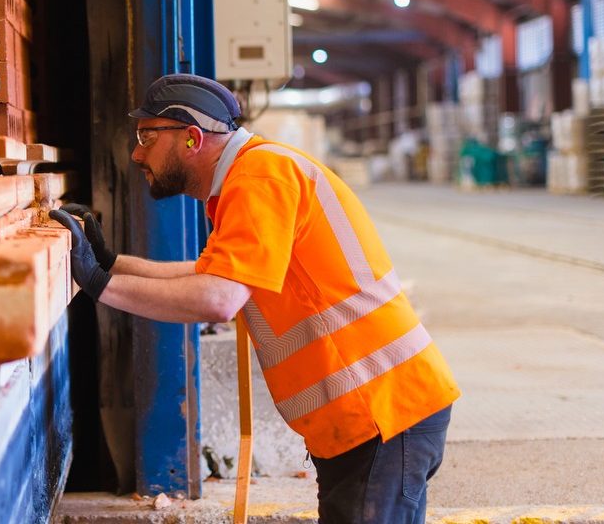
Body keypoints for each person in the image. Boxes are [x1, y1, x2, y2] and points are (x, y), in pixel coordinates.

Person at [48, 73, 460, 524]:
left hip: (379, 414)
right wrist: (112, 265)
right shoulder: (249, 180)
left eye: (148, 135)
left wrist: (100, 286)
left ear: (192, 138)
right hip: (373, 417)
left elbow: (218, 298)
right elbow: (210, 275)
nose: (136, 152)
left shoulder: (262, 176)